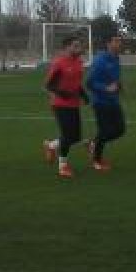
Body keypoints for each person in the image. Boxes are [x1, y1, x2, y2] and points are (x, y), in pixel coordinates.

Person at [42, 35, 89, 178]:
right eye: (75, 46)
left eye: (79, 46)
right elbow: (48, 85)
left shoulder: (79, 62)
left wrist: (84, 95)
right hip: (60, 104)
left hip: (74, 104)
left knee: (75, 137)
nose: (79, 48)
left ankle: (51, 146)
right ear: (67, 47)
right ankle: (63, 166)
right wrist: (63, 94)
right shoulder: (59, 63)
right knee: (68, 136)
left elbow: (77, 82)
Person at [86, 35, 126, 172]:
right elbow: (89, 83)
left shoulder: (116, 59)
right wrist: (106, 88)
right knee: (104, 131)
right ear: (108, 43)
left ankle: (94, 143)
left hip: (114, 101)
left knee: (120, 129)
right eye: (116, 41)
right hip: (100, 102)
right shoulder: (99, 60)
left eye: (120, 41)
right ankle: (97, 161)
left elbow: (114, 78)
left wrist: (119, 86)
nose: (119, 43)